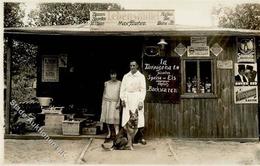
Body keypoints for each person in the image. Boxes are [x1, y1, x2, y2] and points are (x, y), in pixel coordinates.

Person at [120, 60, 147, 145]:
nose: (132, 67)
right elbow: (122, 89)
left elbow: (143, 90)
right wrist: (123, 99)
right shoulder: (126, 76)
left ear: (137, 66)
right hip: (128, 98)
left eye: (134, 65)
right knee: (127, 116)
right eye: (131, 65)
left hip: (137, 98)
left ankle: (140, 137)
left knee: (139, 116)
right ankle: (128, 138)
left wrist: (141, 101)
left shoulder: (141, 76)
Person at [100, 69, 121, 142]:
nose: (113, 76)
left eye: (114, 74)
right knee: (108, 118)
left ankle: (117, 133)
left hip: (115, 102)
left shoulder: (119, 83)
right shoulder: (106, 83)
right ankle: (109, 133)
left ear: (116, 75)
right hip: (107, 102)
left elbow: (120, 94)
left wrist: (119, 102)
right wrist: (103, 103)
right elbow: (104, 93)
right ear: (110, 75)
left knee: (115, 118)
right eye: (112, 74)